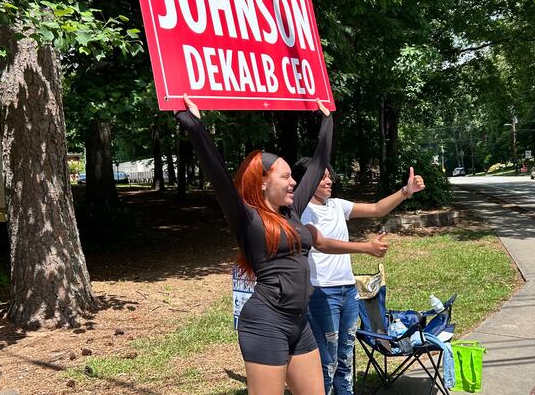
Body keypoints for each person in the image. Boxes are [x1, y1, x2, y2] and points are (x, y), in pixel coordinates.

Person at [175, 94, 388, 395]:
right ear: (262, 182)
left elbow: (317, 165)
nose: (293, 183)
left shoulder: (292, 212)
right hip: (266, 323)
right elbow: (217, 173)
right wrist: (195, 125)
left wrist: (327, 121)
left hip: (299, 322)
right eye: (286, 177)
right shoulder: (246, 217)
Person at [292, 159, 425, 395]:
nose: (329, 180)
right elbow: (321, 243)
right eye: (322, 177)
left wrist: (406, 192)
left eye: (329, 175)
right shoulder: (301, 211)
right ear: (307, 181)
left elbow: (376, 209)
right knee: (327, 359)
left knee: (345, 356)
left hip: (348, 290)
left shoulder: (336, 205)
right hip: (321, 293)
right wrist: (366, 247)